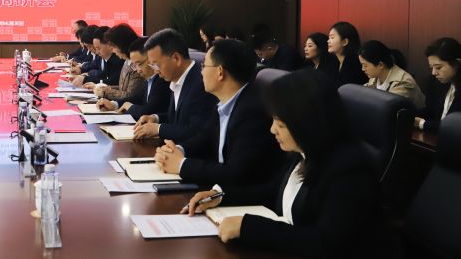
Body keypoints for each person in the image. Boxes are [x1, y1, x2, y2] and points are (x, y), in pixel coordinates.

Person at [185, 69, 389, 259]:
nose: (272, 130)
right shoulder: (306, 152)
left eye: (281, 124)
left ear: (306, 124)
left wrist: (248, 228)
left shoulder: (350, 171)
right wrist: (220, 196)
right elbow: (272, 192)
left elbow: (324, 242)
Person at [154, 39, 282, 186]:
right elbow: (205, 137)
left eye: (204, 66)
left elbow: (235, 173)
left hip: (239, 195)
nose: (201, 72)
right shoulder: (224, 102)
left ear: (220, 72)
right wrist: (177, 150)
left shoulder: (252, 113)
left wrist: (181, 165)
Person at [133, 28, 216, 144]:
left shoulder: (201, 83)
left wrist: (158, 129)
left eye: (157, 65)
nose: (156, 71)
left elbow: (196, 130)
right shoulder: (177, 78)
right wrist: (155, 118)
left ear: (176, 58)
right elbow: (178, 119)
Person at [117, 37, 172, 119]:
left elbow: (149, 111)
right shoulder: (149, 78)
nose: (138, 70)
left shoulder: (162, 80)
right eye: (134, 65)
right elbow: (138, 98)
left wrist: (129, 107)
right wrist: (115, 104)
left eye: (139, 64)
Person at [359, 40, 425, 108]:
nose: (363, 69)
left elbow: (389, 107)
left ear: (380, 65)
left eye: (365, 65)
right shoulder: (375, 77)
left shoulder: (403, 82)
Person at [95, 24, 146, 110]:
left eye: (114, 47)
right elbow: (123, 88)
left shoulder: (138, 66)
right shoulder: (126, 60)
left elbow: (131, 95)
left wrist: (107, 92)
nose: (113, 51)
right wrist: (105, 89)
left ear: (122, 45)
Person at [416, 37, 461, 132]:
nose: (434, 73)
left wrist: (423, 124)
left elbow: (456, 126)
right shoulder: (435, 82)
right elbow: (431, 110)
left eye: (438, 67)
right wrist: (408, 115)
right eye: (431, 67)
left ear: (457, 63)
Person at [327, 21, 367, 87]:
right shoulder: (333, 62)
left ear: (345, 42)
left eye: (332, 37)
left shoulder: (355, 64)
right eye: (329, 38)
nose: (328, 41)